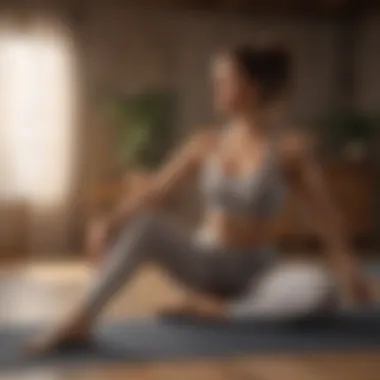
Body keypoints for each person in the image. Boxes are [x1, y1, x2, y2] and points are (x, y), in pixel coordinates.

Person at [30, 44, 373, 354]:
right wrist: (108, 222)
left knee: (323, 291)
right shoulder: (205, 144)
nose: (216, 87)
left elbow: (325, 215)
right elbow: (154, 193)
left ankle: (221, 310)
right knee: (148, 224)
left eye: (224, 80)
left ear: (251, 89)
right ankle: (82, 318)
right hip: (204, 262)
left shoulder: (290, 151)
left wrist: (350, 270)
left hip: (257, 272)